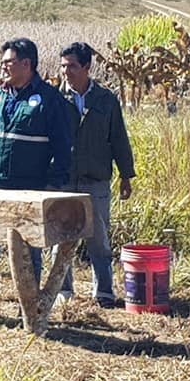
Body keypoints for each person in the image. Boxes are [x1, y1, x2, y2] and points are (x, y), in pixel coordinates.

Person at [0, 38, 73, 319]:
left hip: (29, 188)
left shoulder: (49, 100)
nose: (3, 66)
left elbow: (63, 148)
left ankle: (30, 310)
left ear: (27, 64)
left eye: (9, 62)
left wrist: (51, 186)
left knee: (28, 250)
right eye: (3, 61)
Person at [56, 42, 135, 309]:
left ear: (87, 67)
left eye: (72, 66)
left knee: (99, 240)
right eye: (64, 65)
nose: (66, 71)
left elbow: (118, 139)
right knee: (61, 238)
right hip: (65, 179)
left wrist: (126, 174)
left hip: (96, 179)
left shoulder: (106, 99)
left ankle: (104, 293)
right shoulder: (55, 98)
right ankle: (63, 291)